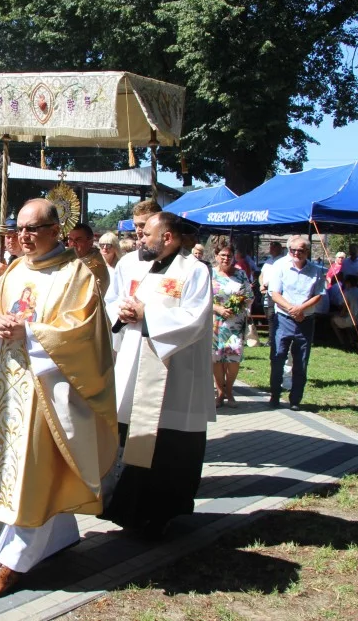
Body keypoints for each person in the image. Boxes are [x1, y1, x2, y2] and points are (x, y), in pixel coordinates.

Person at [0, 199, 117, 600]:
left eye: (33, 229)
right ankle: (59, 534)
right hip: (10, 386)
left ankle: (14, 563)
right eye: (19, 229)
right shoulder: (15, 268)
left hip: (49, 390)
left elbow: (83, 333)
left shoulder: (76, 275)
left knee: (35, 468)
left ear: (56, 230)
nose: (24, 237)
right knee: (22, 468)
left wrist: (29, 334)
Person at [102, 211, 213, 538]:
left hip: (174, 377)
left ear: (167, 238)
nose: (140, 240)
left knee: (168, 450)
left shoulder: (194, 272)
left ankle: (161, 515)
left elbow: (195, 320)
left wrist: (146, 314)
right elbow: (112, 302)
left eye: (146, 234)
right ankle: (124, 509)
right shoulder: (131, 265)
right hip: (134, 366)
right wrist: (120, 313)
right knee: (130, 440)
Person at [267, 235, 325, 410]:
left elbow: (319, 294)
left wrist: (301, 309)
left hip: (305, 320)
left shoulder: (317, 270)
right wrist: (292, 309)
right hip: (284, 318)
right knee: (278, 358)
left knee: (301, 361)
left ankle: (295, 400)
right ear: (289, 250)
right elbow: (274, 293)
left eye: (301, 250)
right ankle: (275, 395)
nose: (297, 253)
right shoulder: (280, 267)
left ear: (307, 251)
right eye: (293, 250)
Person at [211, 238, 254, 408]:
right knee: (217, 358)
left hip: (235, 323)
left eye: (229, 255)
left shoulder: (240, 274)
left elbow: (249, 296)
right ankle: (220, 392)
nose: (225, 259)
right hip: (215, 323)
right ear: (216, 256)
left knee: (233, 358)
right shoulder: (210, 274)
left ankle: (229, 390)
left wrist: (238, 305)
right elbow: (202, 298)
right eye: (222, 255)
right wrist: (219, 309)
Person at [67, 222, 110, 293]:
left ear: (90, 242)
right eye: (70, 239)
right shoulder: (65, 259)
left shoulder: (96, 267)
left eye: (78, 240)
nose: (73, 244)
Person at [331, 275, 358, 348]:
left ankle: (343, 342)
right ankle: (352, 341)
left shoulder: (347, 293)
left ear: (348, 283)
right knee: (346, 319)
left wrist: (338, 315)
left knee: (333, 320)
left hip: (353, 320)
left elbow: (344, 309)